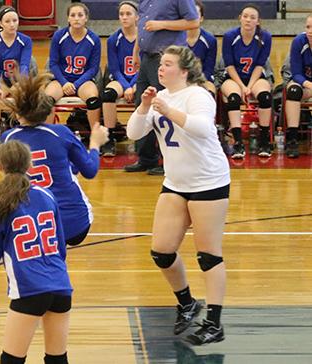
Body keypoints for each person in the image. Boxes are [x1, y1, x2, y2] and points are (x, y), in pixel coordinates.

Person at [127, 45, 230, 345]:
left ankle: (214, 323)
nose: (161, 68)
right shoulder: (160, 97)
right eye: (161, 63)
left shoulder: (198, 95)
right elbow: (134, 133)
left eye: (168, 64)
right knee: (161, 251)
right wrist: (145, 106)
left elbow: (201, 128)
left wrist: (168, 110)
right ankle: (186, 301)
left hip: (207, 181)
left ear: (183, 71)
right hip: (176, 183)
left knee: (208, 255)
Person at [0, 72, 109, 246]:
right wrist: (95, 144)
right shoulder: (61, 133)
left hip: (30, 221)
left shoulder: (7, 138)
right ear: (46, 111)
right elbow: (89, 170)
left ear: (18, 112)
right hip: (74, 222)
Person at [0, 140, 72, 364]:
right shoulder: (47, 195)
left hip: (29, 287)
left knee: (11, 359)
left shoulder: (2, 200)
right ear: (30, 165)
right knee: (57, 358)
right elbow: (61, 245)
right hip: (61, 285)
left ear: (0, 166)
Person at [124, 0, 199, 175]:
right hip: (147, 58)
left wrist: (162, 24)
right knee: (143, 105)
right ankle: (146, 158)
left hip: (168, 58)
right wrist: (136, 51)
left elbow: (193, 22)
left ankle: (169, 161)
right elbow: (143, 24)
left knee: (165, 107)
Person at [221, 4, 273, 159]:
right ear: (240, 18)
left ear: (258, 21)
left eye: (252, 17)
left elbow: (260, 64)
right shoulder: (230, 36)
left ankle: (264, 141)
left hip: (254, 77)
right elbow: (229, 65)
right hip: (233, 77)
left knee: (265, 96)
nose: (248, 20)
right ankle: (238, 143)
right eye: (245, 16)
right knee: (234, 98)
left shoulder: (265, 37)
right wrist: (242, 87)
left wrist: (249, 86)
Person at [45, 2, 102, 129]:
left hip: (83, 81)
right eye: (73, 15)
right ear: (68, 18)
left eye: (80, 15)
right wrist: (64, 83)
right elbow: (53, 63)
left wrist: (75, 85)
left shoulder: (94, 39)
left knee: (93, 100)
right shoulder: (59, 36)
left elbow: (93, 68)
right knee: (46, 100)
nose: (76, 18)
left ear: (86, 18)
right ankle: (48, 134)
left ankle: (95, 136)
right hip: (61, 80)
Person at [100, 0, 138, 157]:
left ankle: (141, 138)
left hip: (139, 78)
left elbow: (145, 67)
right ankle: (109, 138)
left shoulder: (144, 38)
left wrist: (134, 84)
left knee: (144, 93)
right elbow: (114, 68)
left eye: (128, 14)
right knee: (107, 94)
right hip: (120, 79)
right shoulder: (113, 39)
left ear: (137, 17)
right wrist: (126, 86)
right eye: (121, 14)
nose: (124, 17)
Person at [284, 14, 312, 158]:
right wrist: (309, 84)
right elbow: (296, 73)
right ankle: (293, 139)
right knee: (293, 91)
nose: (310, 31)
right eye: (308, 27)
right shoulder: (298, 42)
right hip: (304, 83)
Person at [0, 6, 32, 123]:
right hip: (1, 81)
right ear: (0, 23)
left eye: (15, 20)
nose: (12, 24)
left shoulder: (26, 40)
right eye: (7, 21)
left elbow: (24, 66)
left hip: (18, 80)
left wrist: (16, 86)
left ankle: (22, 129)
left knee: (22, 96)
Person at [187, 0, 217, 97]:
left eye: (195, 14)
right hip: (180, 79)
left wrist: (196, 84)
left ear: (201, 18)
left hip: (203, 79)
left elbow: (209, 69)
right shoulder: (176, 39)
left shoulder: (210, 40)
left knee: (209, 93)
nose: (192, 17)